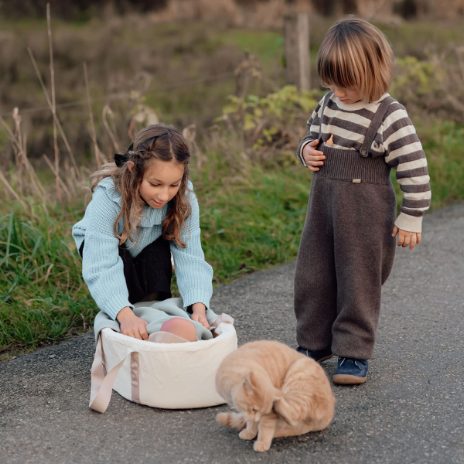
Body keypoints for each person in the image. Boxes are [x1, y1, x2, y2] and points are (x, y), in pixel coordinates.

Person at [294, 18, 431, 385]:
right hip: (323, 208)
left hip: (365, 214)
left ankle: (353, 352)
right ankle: (313, 343)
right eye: (331, 82)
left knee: (358, 279)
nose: (338, 91)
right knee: (313, 274)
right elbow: (310, 134)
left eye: (347, 83)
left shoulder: (390, 116)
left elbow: (414, 166)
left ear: (374, 72)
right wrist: (307, 150)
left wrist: (411, 216)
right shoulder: (329, 103)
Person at [72, 124, 213, 341]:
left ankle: (156, 327)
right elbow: (102, 265)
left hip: (151, 243)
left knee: (151, 300)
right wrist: (125, 314)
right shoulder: (107, 199)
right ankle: (120, 319)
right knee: (125, 307)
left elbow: (190, 255)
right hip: (108, 248)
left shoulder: (184, 199)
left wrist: (199, 307)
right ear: (133, 170)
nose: (164, 195)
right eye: (155, 184)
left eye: (173, 184)